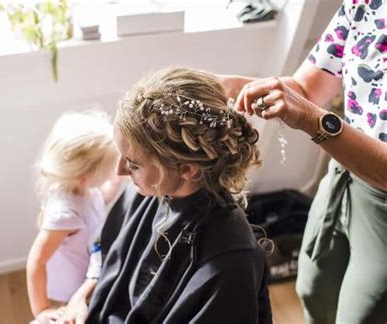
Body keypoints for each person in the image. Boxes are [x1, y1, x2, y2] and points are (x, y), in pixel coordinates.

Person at [58, 67, 273, 323]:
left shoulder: (230, 262)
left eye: (133, 163)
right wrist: (81, 296)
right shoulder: (148, 188)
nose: (121, 171)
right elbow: (107, 254)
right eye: (122, 156)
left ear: (188, 169)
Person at [221, 1, 387, 323]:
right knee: (313, 289)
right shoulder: (366, 4)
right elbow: (305, 89)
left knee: (364, 314)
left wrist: (312, 120)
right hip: (344, 182)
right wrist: (222, 85)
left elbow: (306, 108)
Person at [26, 111, 121, 321]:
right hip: (74, 283)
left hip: (91, 268)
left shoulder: (86, 190)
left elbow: (99, 201)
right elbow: (36, 261)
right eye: (110, 168)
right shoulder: (64, 214)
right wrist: (41, 310)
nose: (115, 170)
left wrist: (117, 179)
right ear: (84, 177)